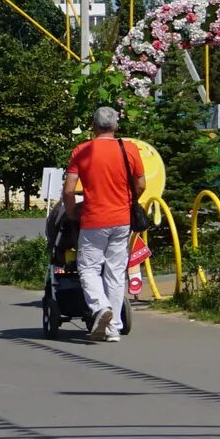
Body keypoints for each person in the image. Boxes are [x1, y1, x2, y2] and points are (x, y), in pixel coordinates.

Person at [65, 106, 140, 342]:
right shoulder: (129, 149)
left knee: (88, 267)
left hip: (94, 218)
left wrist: (71, 212)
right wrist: (128, 199)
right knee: (116, 272)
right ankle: (113, 328)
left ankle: (100, 307)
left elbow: (69, 190)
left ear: (93, 126)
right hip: (122, 219)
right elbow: (141, 184)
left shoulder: (82, 151)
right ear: (116, 126)